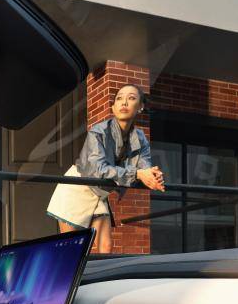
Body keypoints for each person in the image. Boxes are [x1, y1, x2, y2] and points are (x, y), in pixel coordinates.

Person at [46, 84, 165, 253]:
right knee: (71, 249)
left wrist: (154, 176)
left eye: (131, 98)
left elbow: (144, 168)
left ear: (140, 107)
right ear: (113, 107)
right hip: (78, 185)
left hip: (99, 193)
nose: (124, 102)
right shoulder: (98, 131)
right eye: (119, 98)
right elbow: (99, 170)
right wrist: (138, 173)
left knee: (106, 247)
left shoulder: (140, 138)